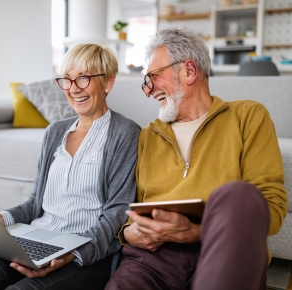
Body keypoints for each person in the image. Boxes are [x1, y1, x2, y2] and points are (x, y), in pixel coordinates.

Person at [0, 43, 140, 290]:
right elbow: (37, 202)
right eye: (67, 79)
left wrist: (70, 253)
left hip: (84, 255)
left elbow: (117, 214)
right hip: (36, 238)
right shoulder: (55, 131)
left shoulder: (126, 133)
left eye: (84, 78)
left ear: (108, 82)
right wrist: (0, 220)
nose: (73, 88)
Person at [105, 28, 287, 290]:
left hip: (222, 249)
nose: (148, 91)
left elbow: (272, 209)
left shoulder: (248, 117)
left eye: (153, 77)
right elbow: (134, 208)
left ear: (189, 71)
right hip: (153, 259)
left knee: (239, 195)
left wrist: (197, 232)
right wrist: (130, 233)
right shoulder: (148, 135)